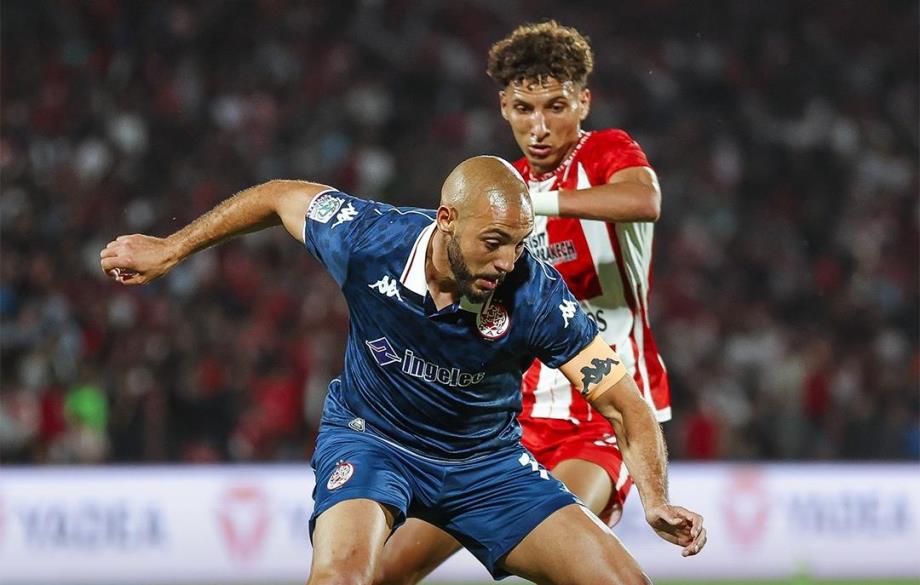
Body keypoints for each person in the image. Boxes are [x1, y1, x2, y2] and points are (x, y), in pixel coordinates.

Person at [100, 156, 705, 584]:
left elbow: (625, 403)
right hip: (372, 441)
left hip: (485, 466)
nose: (508, 261)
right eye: (494, 241)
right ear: (446, 218)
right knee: (342, 578)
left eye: (520, 243)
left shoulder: (535, 294)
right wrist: (171, 249)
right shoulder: (371, 240)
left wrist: (655, 499)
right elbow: (280, 195)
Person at [376, 21, 673, 584]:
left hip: (602, 410)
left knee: (573, 557)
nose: (539, 127)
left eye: (555, 107)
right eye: (523, 109)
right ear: (503, 109)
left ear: (583, 102)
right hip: (508, 416)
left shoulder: (603, 152)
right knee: (386, 570)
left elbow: (644, 200)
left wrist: (543, 201)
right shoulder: (501, 187)